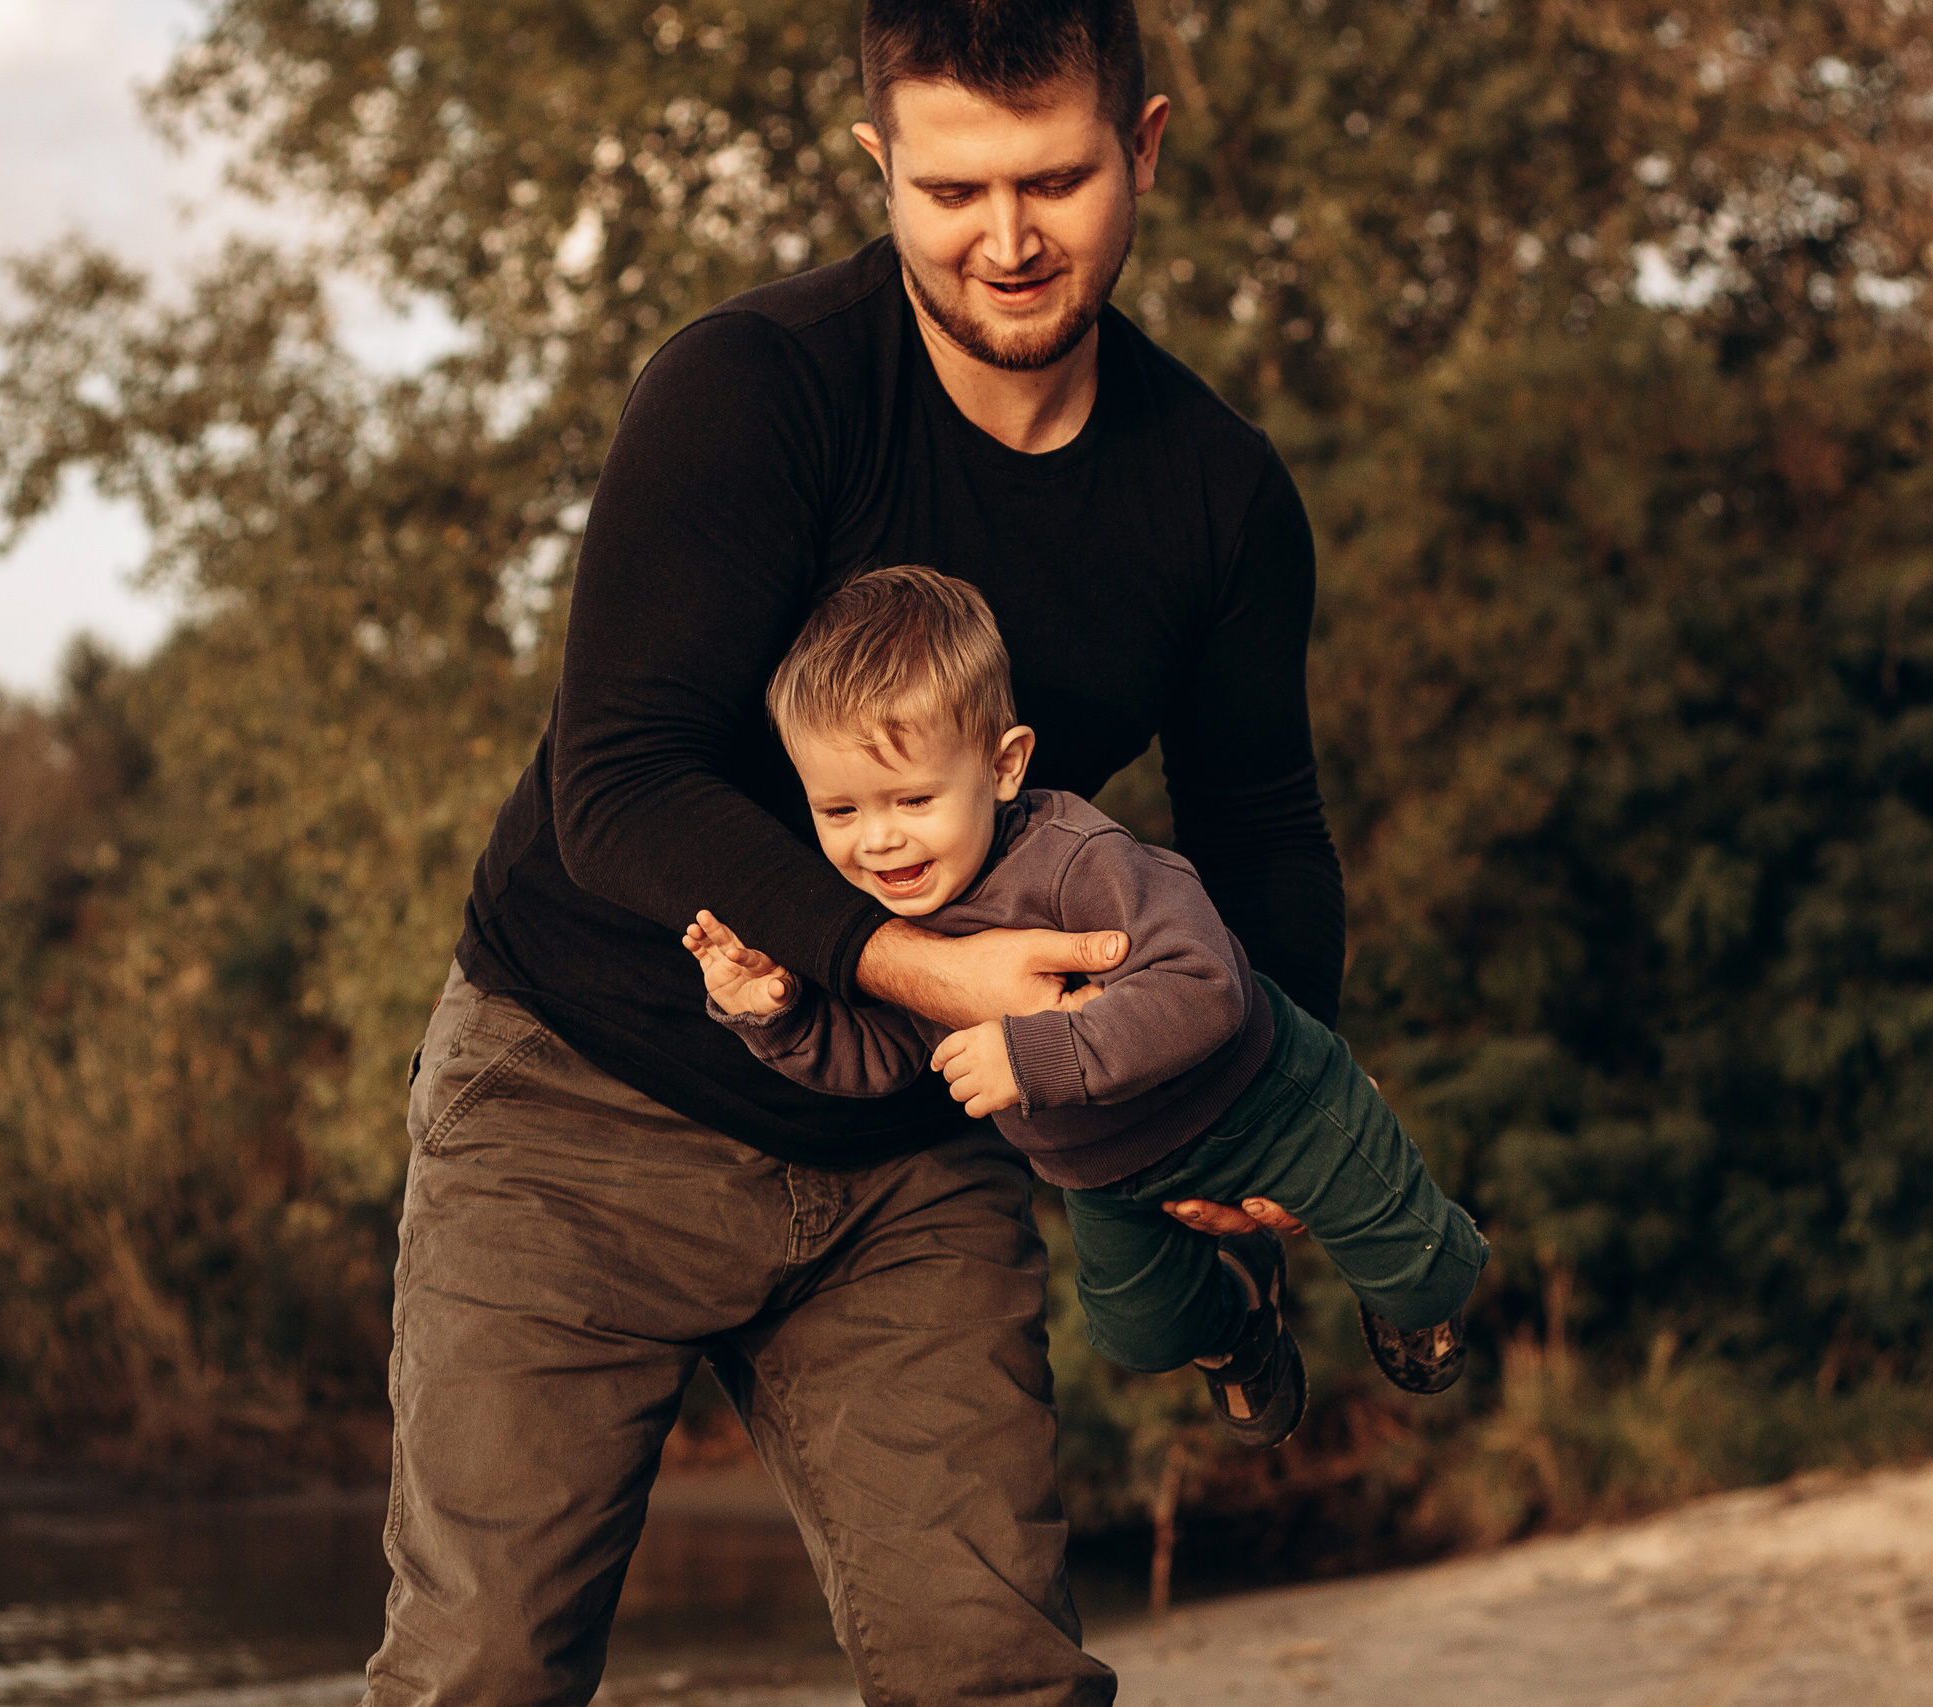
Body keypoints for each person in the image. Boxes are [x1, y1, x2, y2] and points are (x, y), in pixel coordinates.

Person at [369, 1, 1343, 1701]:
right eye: (954, 189)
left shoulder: (1218, 495)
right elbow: (618, 781)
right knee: (481, 1673)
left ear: (1149, 148)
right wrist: (918, 962)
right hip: (579, 1109)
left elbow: (1259, 822)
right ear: (879, 164)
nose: (1010, 239)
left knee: (995, 1677)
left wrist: (1285, 1104)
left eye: (1056, 179)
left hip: (920, 1147)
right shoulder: (754, 390)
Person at [686, 566, 1489, 1448]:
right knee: (1141, 1337)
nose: (878, 839)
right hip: (1110, 1173)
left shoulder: (1075, 858)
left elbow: (1204, 985)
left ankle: (1422, 1278)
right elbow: (877, 1053)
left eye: (913, 799)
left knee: (1420, 1275)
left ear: (1003, 765)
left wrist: (1032, 1055)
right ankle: (1241, 1311)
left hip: (1265, 1102)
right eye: (838, 809)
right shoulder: (890, 919)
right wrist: (777, 1012)